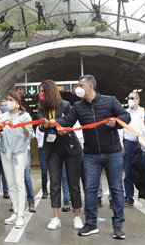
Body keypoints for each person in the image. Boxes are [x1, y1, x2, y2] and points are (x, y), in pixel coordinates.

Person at [52, 75, 131, 239]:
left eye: (80, 85)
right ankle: (91, 223)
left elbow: (126, 116)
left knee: (116, 188)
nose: (77, 89)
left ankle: (118, 226)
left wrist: (116, 121)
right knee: (90, 189)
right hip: (90, 154)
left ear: (90, 86)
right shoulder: (78, 106)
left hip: (112, 153)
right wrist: (55, 123)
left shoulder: (110, 101)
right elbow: (67, 120)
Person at [38, 80, 84, 231]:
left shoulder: (65, 104)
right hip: (52, 148)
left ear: (50, 91)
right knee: (55, 183)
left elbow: (70, 122)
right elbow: (39, 126)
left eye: (42, 90)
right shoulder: (42, 108)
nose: (40, 93)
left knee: (73, 183)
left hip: (69, 147)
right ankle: (55, 217)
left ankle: (77, 215)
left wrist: (64, 128)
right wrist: (45, 125)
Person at [0, 91, 33, 228]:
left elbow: (31, 135)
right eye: (7, 100)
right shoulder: (3, 116)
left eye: (11, 100)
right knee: (10, 182)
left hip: (19, 151)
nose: (8, 102)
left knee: (19, 181)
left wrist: (24, 127)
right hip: (5, 151)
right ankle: (16, 211)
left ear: (17, 102)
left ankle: (21, 215)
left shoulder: (25, 116)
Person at [122, 91, 144, 206]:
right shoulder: (124, 113)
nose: (131, 100)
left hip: (142, 144)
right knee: (128, 171)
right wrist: (121, 145)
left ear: (138, 100)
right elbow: (120, 129)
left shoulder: (144, 112)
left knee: (143, 170)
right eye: (129, 98)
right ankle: (129, 197)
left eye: (133, 98)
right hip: (128, 144)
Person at [35, 126, 48, 199]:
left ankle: (53, 190)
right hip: (42, 149)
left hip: (51, 149)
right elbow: (38, 139)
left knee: (53, 171)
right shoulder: (38, 127)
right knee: (44, 172)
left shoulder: (50, 125)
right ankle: (44, 191)